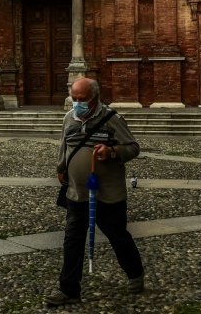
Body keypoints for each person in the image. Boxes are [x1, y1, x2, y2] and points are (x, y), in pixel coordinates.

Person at [46, 77, 144, 307]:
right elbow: (64, 145)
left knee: (118, 237)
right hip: (77, 193)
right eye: (75, 99)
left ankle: (135, 273)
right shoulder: (69, 118)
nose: (78, 103)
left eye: (83, 99)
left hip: (107, 194)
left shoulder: (111, 119)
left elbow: (133, 148)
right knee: (72, 240)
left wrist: (111, 151)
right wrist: (61, 168)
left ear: (96, 98)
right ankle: (69, 289)